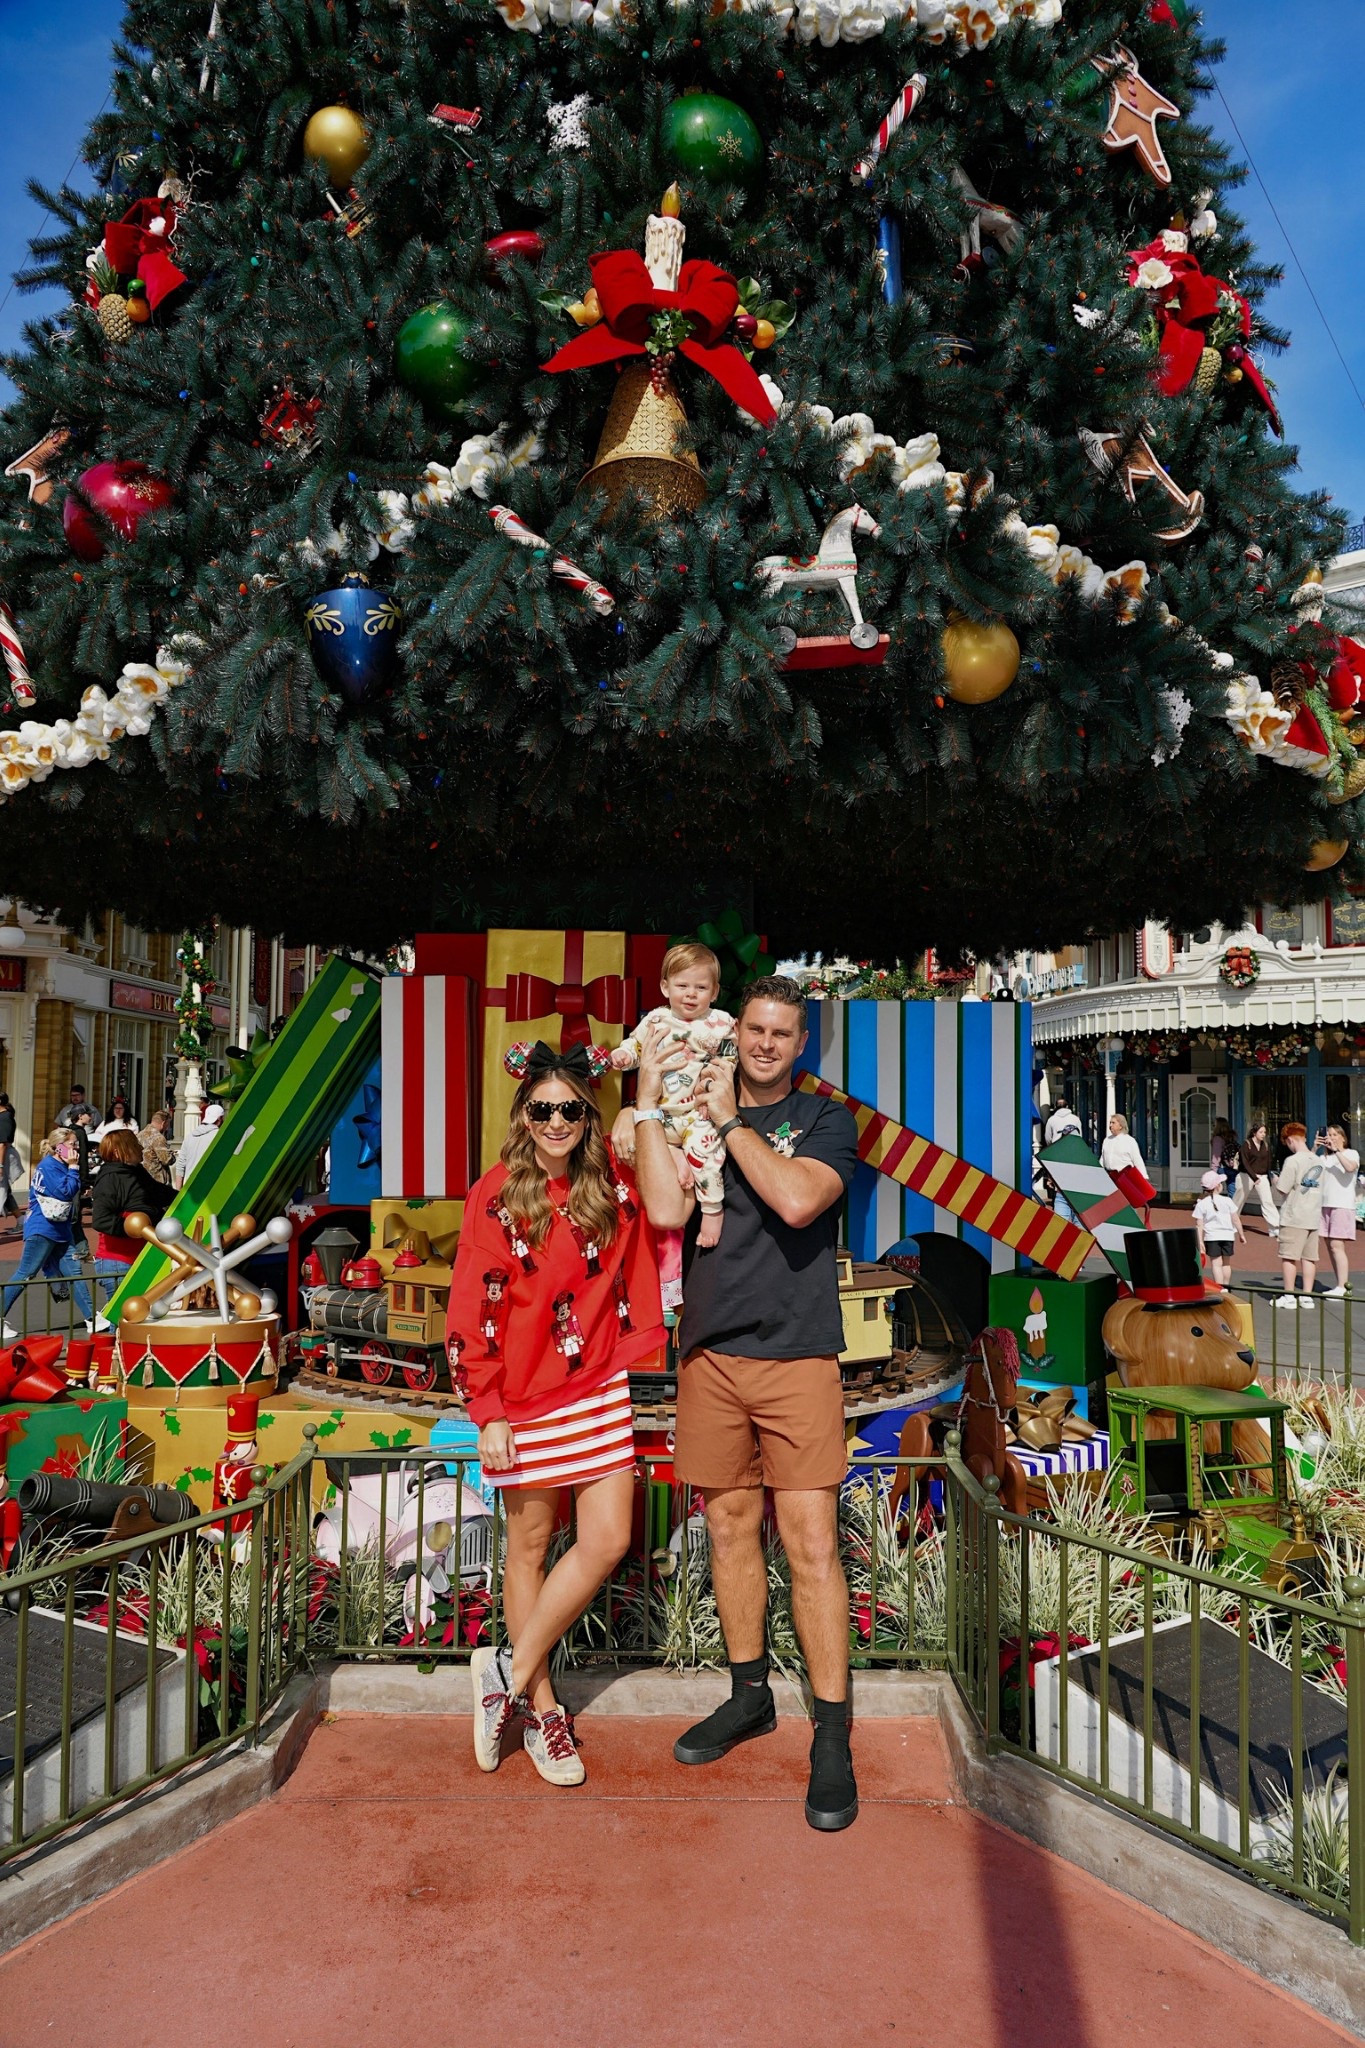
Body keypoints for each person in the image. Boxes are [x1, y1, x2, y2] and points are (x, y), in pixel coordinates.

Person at [634, 974, 862, 1833]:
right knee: (728, 1527)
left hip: (796, 1355)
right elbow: (663, 1205)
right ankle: (748, 1695)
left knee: (809, 1544)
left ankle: (831, 1737)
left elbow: (799, 1200)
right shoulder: (698, 1098)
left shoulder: (827, 1121)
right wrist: (653, 1103)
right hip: (710, 1354)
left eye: (780, 1033)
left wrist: (730, 1121)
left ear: (799, 1045)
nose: (765, 1043)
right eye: (755, 1029)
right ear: (737, 1033)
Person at [446, 1040, 662, 1788]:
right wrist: (488, 1409)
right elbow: (470, 1305)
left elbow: (643, 1259)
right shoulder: (496, 1194)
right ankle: (540, 1708)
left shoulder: (616, 1187)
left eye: (572, 1107)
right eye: (542, 1108)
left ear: (588, 1115)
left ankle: (502, 1667)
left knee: (607, 1539)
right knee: (529, 1548)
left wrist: (648, 1099)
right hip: (524, 1397)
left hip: (598, 1383)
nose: (557, 1120)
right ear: (522, 1115)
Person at [610, 941, 737, 1251]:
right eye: (682, 985)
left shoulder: (720, 1024)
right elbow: (636, 1045)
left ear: (715, 991)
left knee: (706, 1155)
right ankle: (678, 1158)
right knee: (651, 1148)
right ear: (665, 987)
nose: (691, 994)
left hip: (696, 1112)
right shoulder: (656, 1020)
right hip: (663, 1113)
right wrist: (625, 1056)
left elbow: (729, 1059)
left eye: (700, 987)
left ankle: (712, 1209)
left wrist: (712, 1083)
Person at [1, 1130, 105, 1339]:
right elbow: (65, 1192)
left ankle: (92, 1318)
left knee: (73, 1272)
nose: (76, 1149)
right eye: (73, 1145)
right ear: (59, 1147)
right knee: (26, 1274)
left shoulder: (58, 1165)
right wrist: (74, 1168)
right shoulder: (49, 1166)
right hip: (43, 1229)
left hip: (60, 1229)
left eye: (76, 1145)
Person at [89, 1129, 172, 1285]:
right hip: (118, 1261)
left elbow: (158, 1193)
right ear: (118, 1152)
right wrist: (135, 1229)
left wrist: (184, 1196)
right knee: (123, 1309)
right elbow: (101, 1219)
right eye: (135, 1144)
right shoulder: (110, 1178)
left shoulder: (137, 1173)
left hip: (139, 1256)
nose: (141, 1148)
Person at [1274, 1123, 1323, 1309]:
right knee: (1309, 1257)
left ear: (1290, 1139)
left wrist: (1275, 1180)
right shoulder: (1318, 1160)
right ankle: (1307, 1296)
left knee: (1289, 1256)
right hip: (1313, 1214)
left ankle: (1289, 1295)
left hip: (1294, 1214)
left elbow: (1283, 1189)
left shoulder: (1292, 1161)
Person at [1316, 1122, 1360, 1298]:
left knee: (1337, 1245)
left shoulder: (1350, 1153)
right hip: (1325, 1204)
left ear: (1343, 1137)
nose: (1331, 1137)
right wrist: (1314, 1147)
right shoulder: (1324, 1158)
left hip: (1342, 1204)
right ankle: (1339, 1283)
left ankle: (1343, 1286)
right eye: (1329, 1134)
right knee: (1329, 1246)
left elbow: (1350, 1168)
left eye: (1335, 1134)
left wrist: (1337, 1151)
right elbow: (1308, 1171)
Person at [1193, 1169, 1244, 1289]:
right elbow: (1236, 1219)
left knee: (1216, 1264)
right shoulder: (1227, 1201)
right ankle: (1226, 1286)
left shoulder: (1201, 1204)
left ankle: (1220, 1288)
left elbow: (1199, 1225)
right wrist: (1241, 1234)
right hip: (1228, 1236)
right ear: (1217, 1186)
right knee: (1226, 1264)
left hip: (1211, 1237)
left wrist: (1200, 1241)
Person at [1099, 1112, 1155, 1224]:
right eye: (1110, 1123)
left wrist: (1144, 1178)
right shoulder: (1107, 1140)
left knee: (1129, 1204)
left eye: (1113, 1123)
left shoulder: (1129, 1141)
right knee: (1112, 1205)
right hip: (1110, 1178)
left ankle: (1132, 1227)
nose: (1110, 1125)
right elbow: (1102, 1158)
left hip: (1125, 1177)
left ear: (1121, 1125)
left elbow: (1137, 1160)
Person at [1235, 1122, 1279, 1240]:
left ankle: (1274, 1227)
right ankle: (1232, 1222)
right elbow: (1245, 1162)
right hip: (1246, 1175)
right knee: (1239, 1200)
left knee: (1267, 1201)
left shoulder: (1265, 1145)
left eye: (1264, 1132)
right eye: (1261, 1132)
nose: (1263, 1134)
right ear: (1254, 1132)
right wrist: (1254, 1177)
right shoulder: (1247, 1144)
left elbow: (1268, 1162)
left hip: (1262, 1176)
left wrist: (1269, 1177)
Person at [173, 1100, 224, 1188]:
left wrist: (178, 1190)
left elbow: (180, 1165)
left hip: (188, 1186)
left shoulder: (190, 1136)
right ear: (219, 1119)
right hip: (209, 1186)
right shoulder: (219, 1137)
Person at [139, 1108, 176, 1186]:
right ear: (163, 1123)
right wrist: (172, 1155)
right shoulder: (158, 1138)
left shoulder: (139, 1135)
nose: (168, 1128)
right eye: (168, 1124)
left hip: (142, 1178)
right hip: (157, 1179)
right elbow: (166, 1160)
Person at [0, 1093, 19, 1222]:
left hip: (3, 1157)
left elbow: (2, 1144)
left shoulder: (5, 1117)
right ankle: (21, 1220)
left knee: (2, 1190)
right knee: (5, 1190)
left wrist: (0, 1165)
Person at [1210, 1118, 1240, 1197]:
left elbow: (1216, 1156)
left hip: (1223, 1168)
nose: (1212, 1126)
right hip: (1233, 1166)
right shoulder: (1231, 1137)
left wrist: (1213, 1171)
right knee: (1232, 1189)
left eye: (1214, 1125)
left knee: (1214, 1189)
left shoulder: (1218, 1139)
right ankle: (1234, 1206)